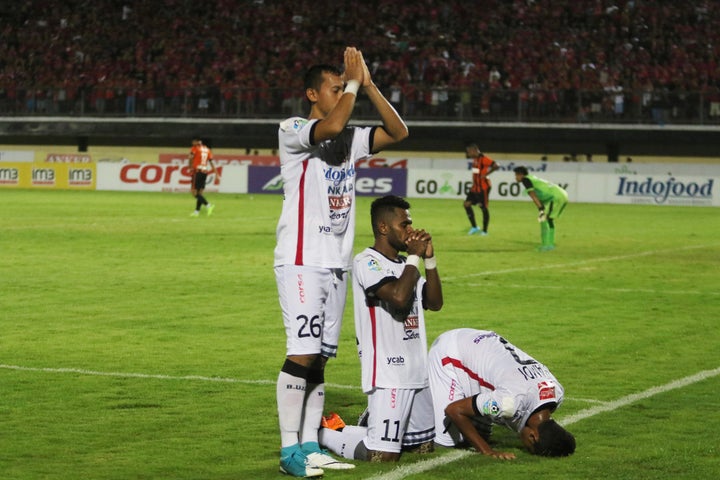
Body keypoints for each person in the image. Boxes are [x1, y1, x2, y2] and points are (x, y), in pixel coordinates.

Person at [274, 48, 409, 477]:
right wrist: (353, 83)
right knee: (301, 352)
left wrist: (367, 83)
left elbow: (398, 131)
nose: (341, 94)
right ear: (313, 93)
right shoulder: (294, 129)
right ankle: (287, 450)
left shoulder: (349, 142)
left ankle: (311, 443)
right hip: (302, 260)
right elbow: (330, 124)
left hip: (335, 265)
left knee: (320, 359)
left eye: (343, 86)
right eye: (335, 88)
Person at [318, 195, 443, 462]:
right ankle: (323, 433)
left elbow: (434, 303)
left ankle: (362, 425)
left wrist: (429, 260)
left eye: (411, 224)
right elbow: (398, 297)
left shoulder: (406, 265)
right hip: (390, 373)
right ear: (383, 227)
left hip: (417, 370)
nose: (411, 230)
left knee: (422, 448)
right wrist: (413, 258)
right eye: (404, 224)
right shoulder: (367, 262)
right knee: (382, 456)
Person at [427, 328, 576, 459]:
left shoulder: (556, 391)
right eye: (528, 447)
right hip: (451, 350)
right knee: (447, 441)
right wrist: (487, 451)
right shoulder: (509, 402)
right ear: (532, 436)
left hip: (480, 342)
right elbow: (454, 410)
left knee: (481, 432)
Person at [513, 166, 568, 251]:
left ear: (520, 174)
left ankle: (546, 245)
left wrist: (541, 209)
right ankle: (550, 244)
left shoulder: (525, 180)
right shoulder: (531, 178)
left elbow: (533, 195)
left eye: (516, 175)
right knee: (549, 219)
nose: (515, 177)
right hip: (561, 194)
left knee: (543, 219)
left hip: (555, 197)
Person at [464, 144, 498, 235]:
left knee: (483, 208)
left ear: (474, 150)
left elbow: (496, 165)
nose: (468, 154)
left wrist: (487, 174)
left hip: (483, 188)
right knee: (466, 204)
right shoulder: (475, 160)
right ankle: (475, 227)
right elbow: (476, 173)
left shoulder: (484, 159)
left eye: (469, 152)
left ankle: (485, 231)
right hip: (475, 188)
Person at [187, 136, 216, 217]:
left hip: (197, 171)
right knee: (200, 193)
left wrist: (190, 167)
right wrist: (216, 174)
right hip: (204, 172)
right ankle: (197, 212)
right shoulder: (207, 149)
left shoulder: (195, 148)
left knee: (194, 193)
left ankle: (208, 205)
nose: (192, 143)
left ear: (196, 141)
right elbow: (211, 162)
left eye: (193, 141)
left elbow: (190, 157)